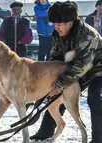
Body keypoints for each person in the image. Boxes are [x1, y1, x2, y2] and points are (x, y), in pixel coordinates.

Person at [30, 2, 102, 143]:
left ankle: (98, 138)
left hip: (97, 68)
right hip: (75, 67)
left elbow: (82, 65)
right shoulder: (58, 33)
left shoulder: (86, 35)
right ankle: (44, 133)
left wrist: (59, 86)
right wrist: (49, 80)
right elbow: (55, 58)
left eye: (60, 24)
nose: (56, 27)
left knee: (94, 98)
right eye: (55, 23)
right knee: (55, 94)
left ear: (70, 23)